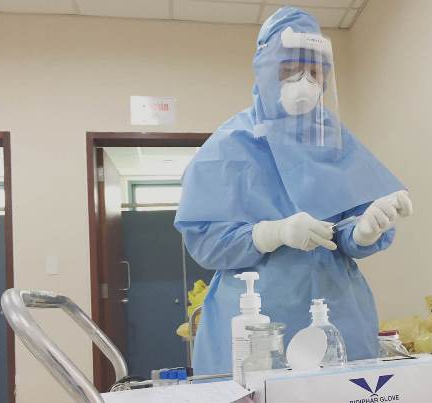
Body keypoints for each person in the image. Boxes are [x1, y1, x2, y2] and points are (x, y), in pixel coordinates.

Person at [175, 6, 413, 375]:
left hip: (337, 314)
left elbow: (345, 230)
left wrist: (363, 231)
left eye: (315, 72)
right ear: (266, 72)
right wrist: (273, 233)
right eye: (290, 70)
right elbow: (206, 239)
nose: (305, 82)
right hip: (255, 319)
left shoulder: (332, 139)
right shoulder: (231, 144)